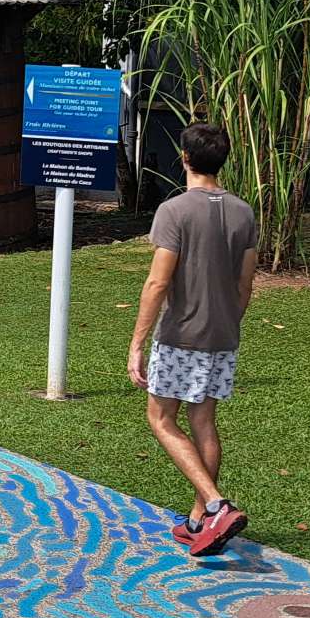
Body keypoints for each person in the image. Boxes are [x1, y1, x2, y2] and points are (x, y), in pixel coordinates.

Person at [128, 121, 258, 557]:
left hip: (181, 334)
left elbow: (157, 283)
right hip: (224, 334)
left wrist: (137, 344)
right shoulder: (243, 212)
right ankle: (199, 521)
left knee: (161, 419)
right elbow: (245, 284)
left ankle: (217, 506)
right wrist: (228, 322)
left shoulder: (174, 211)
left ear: (184, 158)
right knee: (203, 421)